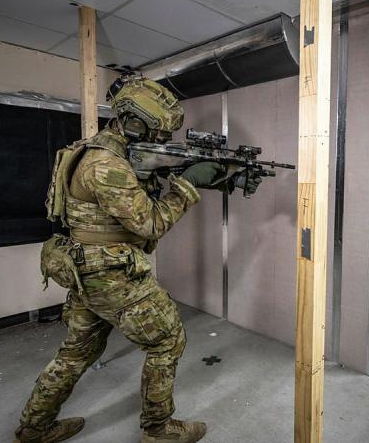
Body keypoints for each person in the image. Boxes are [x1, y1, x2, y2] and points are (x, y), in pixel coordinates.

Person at [14, 76, 254, 443]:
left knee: (77, 353)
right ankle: (158, 431)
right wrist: (189, 185)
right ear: (133, 121)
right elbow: (150, 223)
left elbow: (142, 184)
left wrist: (218, 177)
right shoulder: (106, 165)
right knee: (167, 340)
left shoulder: (98, 151)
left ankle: (34, 428)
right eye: (156, 132)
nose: (161, 141)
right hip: (111, 275)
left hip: (85, 270)